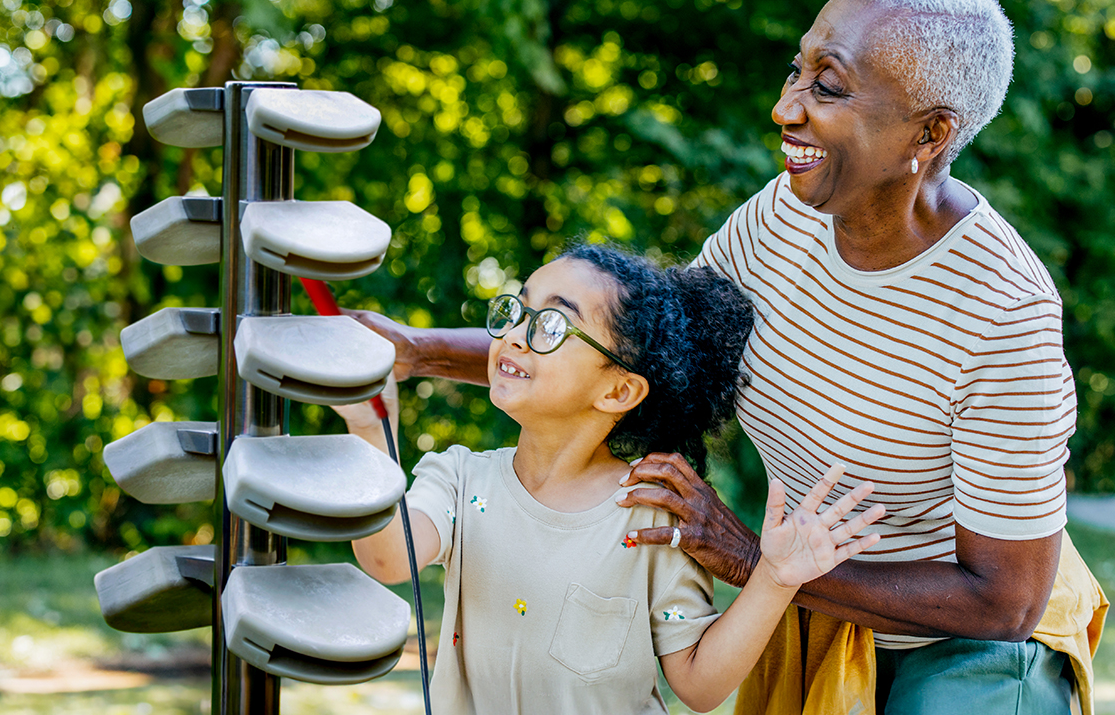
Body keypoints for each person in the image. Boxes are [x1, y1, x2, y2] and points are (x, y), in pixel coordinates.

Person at [347, 0, 1107, 714]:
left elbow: (1002, 599)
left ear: (930, 132)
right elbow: (635, 347)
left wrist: (751, 557)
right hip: (814, 588)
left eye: (828, 86)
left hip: (972, 644)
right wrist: (411, 352)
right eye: (795, 71)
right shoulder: (784, 215)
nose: (786, 107)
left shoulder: (1003, 316)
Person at [335, 244, 885, 715]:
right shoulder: (458, 478)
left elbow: (699, 684)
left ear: (618, 391)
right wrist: (368, 427)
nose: (515, 336)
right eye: (515, 311)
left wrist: (775, 577)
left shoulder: (653, 514)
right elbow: (388, 557)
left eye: (553, 324)